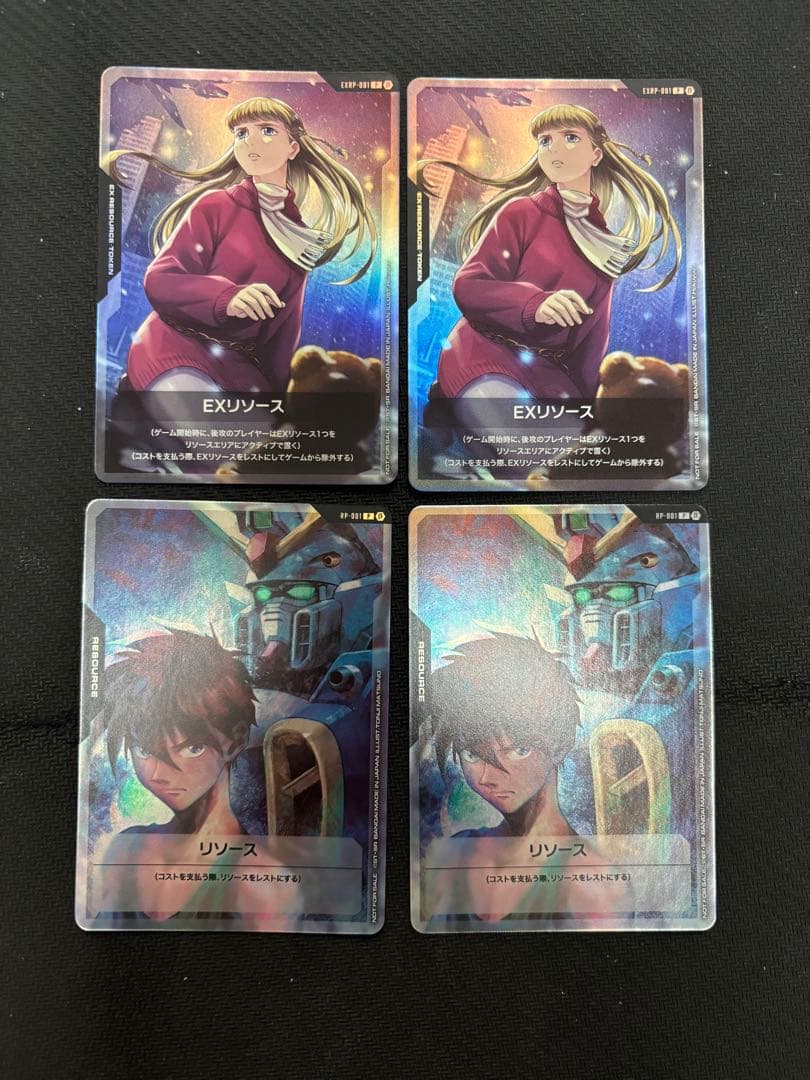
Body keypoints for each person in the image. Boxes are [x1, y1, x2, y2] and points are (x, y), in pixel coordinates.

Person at [105, 96, 376, 397]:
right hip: (175, 348)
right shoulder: (216, 206)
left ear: (293, 148)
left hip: (241, 373)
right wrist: (225, 297)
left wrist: (280, 398)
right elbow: (160, 280)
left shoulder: (298, 238)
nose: (250, 141)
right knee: (206, 418)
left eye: (267, 130)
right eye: (241, 133)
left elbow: (281, 342)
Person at [419, 104, 681, 402]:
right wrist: (534, 304)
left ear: (596, 154)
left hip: (550, 378)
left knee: (578, 430)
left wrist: (590, 404)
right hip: (484, 355)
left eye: (570, 137)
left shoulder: (604, 245)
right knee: (517, 426)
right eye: (545, 140)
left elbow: (591, 347)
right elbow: (468, 285)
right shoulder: (521, 212)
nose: (554, 147)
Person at [100, 630, 255, 835]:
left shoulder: (266, 853)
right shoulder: (131, 842)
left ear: (236, 741)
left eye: (193, 748)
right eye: (144, 751)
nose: (157, 774)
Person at [431, 633, 581, 836]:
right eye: (472, 755)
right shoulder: (462, 845)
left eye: (519, 750)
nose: (487, 777)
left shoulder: (599, 854)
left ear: (559, 744)